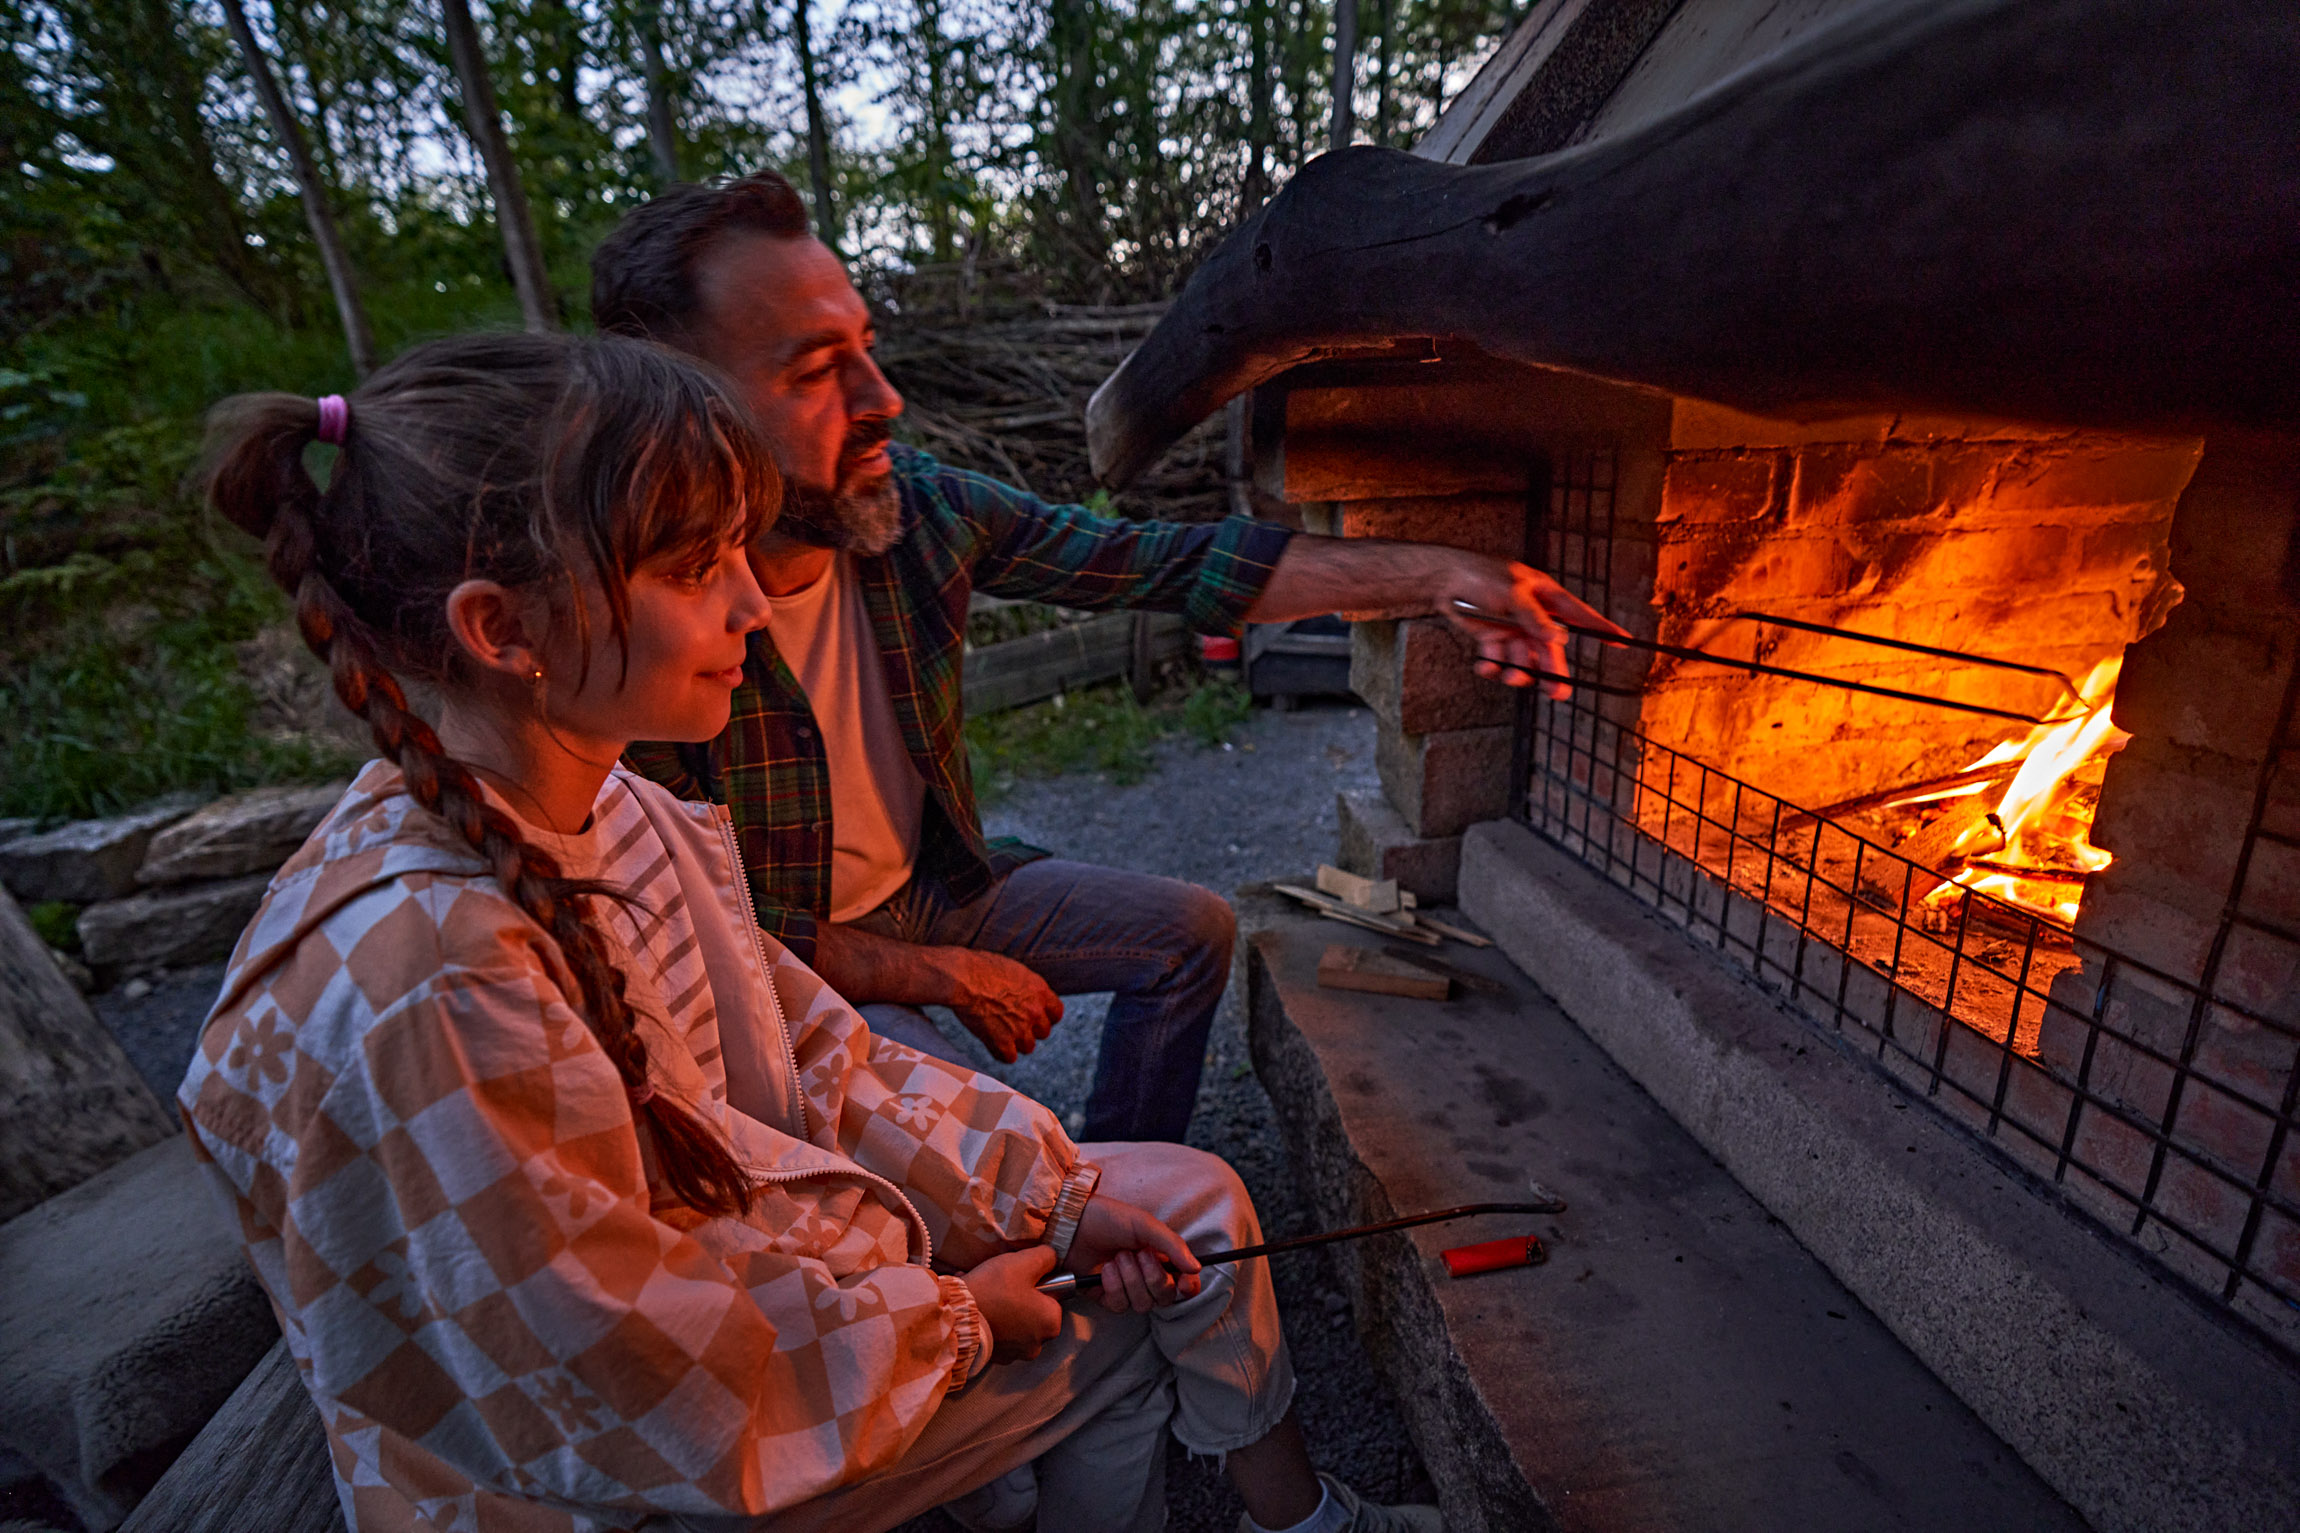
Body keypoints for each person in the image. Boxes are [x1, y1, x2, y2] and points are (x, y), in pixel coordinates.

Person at [180, 330, 1443, 1533]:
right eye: (693, 567)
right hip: (617, 1491)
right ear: (502, 629)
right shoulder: (439, 978)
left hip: (753, 1297)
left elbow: (817, 1056)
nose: (751, 602)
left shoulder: (614, 810)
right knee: (1112, 1335)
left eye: (742, 551)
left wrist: (1051, 1200)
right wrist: (953, 1321)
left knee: (1148, 1220)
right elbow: (636, 1380)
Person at [593, 170, 1617, 1144]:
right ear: (679, 410)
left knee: (1189, 931)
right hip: (783, 958)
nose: (883, 397)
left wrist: (1444, 573)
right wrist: (943, 977)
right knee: (993, 1139)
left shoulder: (921, 509)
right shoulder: (630, 627)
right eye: (814, 371)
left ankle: (1126, 1184)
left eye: (866, 346)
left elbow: (1163, 563)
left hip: (940, 887)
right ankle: (1059, 1215)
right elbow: (705, 930)